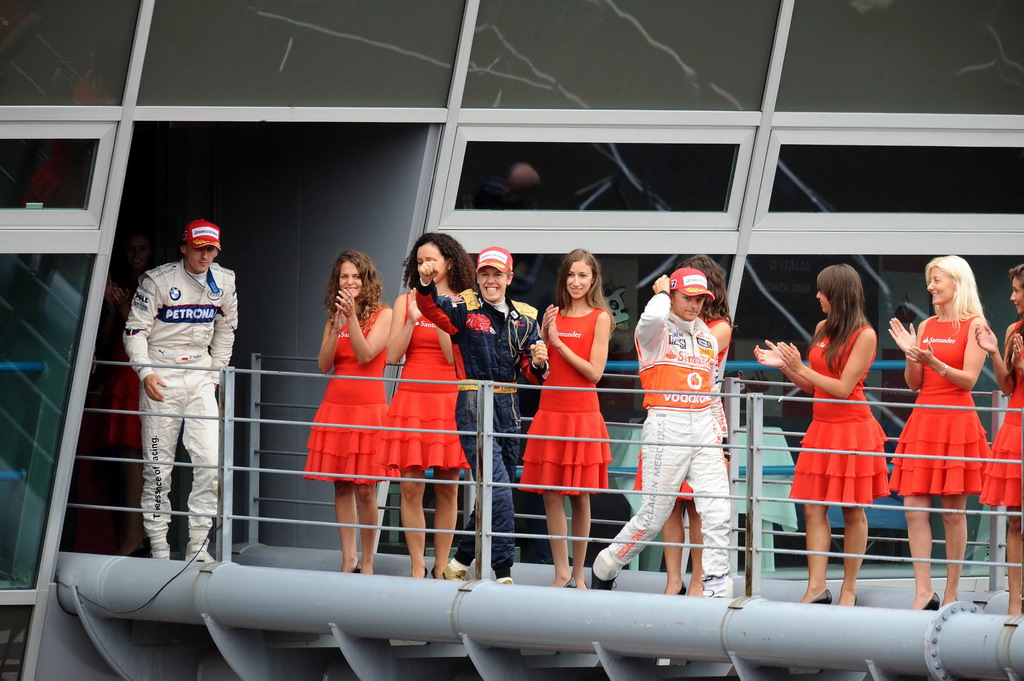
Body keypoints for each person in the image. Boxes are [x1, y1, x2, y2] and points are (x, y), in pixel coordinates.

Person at [590, 268, 732, 598]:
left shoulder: (709, 339)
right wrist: (663, 293)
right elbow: (652, 317)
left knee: (718, 510)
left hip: (703, 429)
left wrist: (720, 436)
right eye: (687, 297)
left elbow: (711, 394)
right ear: (673, 296)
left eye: (700, 299)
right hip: (666, 425)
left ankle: (715, 587)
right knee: (654, 516)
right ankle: (608, 563)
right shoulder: (655, 331)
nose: (694, 305)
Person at [754, 264, 889, 606]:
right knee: (813, 508)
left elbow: (843, 389)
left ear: (838, 293)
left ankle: (848, 587)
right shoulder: (822, 327)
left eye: (821, 290)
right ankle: (816, 587)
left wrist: (800, 367)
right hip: (822, 429)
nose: (816, 296)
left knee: (851, 511)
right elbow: (813, 384)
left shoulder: (865, 335)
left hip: (853, 431)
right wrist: (785, 366)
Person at [415, 246, 549, 584]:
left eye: (497, 274)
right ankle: (502, 569)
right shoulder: (463, 307)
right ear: (477, 277)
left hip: (510, 409)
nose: (491, 280)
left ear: (509, 277)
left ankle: (460, 559)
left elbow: (532, 374)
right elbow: (431, 308)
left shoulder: (525, 317)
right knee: (499, 488)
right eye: (485, 274)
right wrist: (427, 284)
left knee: (495, 487)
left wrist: (537, 362)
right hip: (474, 403)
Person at [123, 219, 238, 561]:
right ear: (184, 247)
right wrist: (145, 373)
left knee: (209, 462)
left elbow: (226, 331)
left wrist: (215, 375)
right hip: (162, 375)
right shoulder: (158, 280)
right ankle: (159, 546)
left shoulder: (225, 281)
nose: (205, 255)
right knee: (158, 466)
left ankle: (199, 545)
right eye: (199, 247)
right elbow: (134, 331)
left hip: (201, 374)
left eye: (211, 249)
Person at [888, 255, 989, 609]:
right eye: (930, 280)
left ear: (957, 284)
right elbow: (914, 383)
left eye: (937, 280)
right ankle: (923, 591)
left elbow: (970, 381)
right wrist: (911, 355)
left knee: (951, 511)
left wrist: (936, 362)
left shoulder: (975, 324)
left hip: (957, 420)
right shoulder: (927, 324)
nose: (930, 287)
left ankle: (951, 592)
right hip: (925, 419)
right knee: (914, 508)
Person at [377, 233, 474, 579]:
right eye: (419, 262)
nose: (425, 266)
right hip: (413, 399)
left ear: (448, 263)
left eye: (430, 260)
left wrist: (437, 313)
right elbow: (391, 356)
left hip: (449, 398)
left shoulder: (464, 301)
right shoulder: (406, 302)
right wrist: (413, 317)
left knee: (448, 486)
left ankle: (441, 564)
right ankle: (417, 565)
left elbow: (454, 355)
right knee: (411, 485)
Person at [519, 249, 613, 589]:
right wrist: (540, 354)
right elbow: (539, 373)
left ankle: (578, 573)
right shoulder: (551, 314)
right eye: (571, 275)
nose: (576, 282)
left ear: (593, 280)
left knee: (580, 495)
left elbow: (595, 373)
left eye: (583, 276)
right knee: (550, 493)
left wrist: (558, 341)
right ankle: (561, 572)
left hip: (582, 414)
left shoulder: (600, 317)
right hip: (550, 411)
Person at [305, 250, 392, 575]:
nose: (350, 281)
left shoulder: (384, 314)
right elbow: (324, 364)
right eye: (344, 276)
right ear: (337, 282)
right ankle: (348, 558)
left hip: (369, 411)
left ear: (366, 279)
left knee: (366, 488)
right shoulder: (333, 318)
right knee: (341, 485)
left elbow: (367, 354)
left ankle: (367, 560)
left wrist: (353, 319)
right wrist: (338, 324)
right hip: (336, 408)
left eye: (356, 276)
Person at [658, 254, 732, 596]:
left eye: (697, 292)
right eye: (684, 292)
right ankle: (674, 579)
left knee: (700, 506)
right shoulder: (672, 319)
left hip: (704, 418)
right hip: (669, 416)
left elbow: (687, 350)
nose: (691, 298)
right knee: (669, 502)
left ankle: (700, 579)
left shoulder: (718, 327)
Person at [99, 232, 154, 556]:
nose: (136, 255)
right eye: (131, 249)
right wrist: (111, 308)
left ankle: (137, 536)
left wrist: (122, 309)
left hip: (138, 377)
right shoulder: (123, 287)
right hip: (119, 375)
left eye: (142, 249)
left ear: (152, 253)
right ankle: (134, 534)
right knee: (124, 462)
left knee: (136, 462)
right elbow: (107, 338)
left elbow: (148, 335)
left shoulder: (154, 287)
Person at [975, 264, 1024, 615]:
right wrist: (995, 351)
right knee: (1015, 519)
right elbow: (1008, 387)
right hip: (1015, 429)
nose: (1012, 296)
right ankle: (1014, 600)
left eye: (1017, 289)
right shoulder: (1013, 330)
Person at [469, 162, 541, 210]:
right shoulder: (488, 190)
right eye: (507, 185)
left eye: (515, 192)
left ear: (527, 197)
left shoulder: (530, 215)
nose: (507, 192)